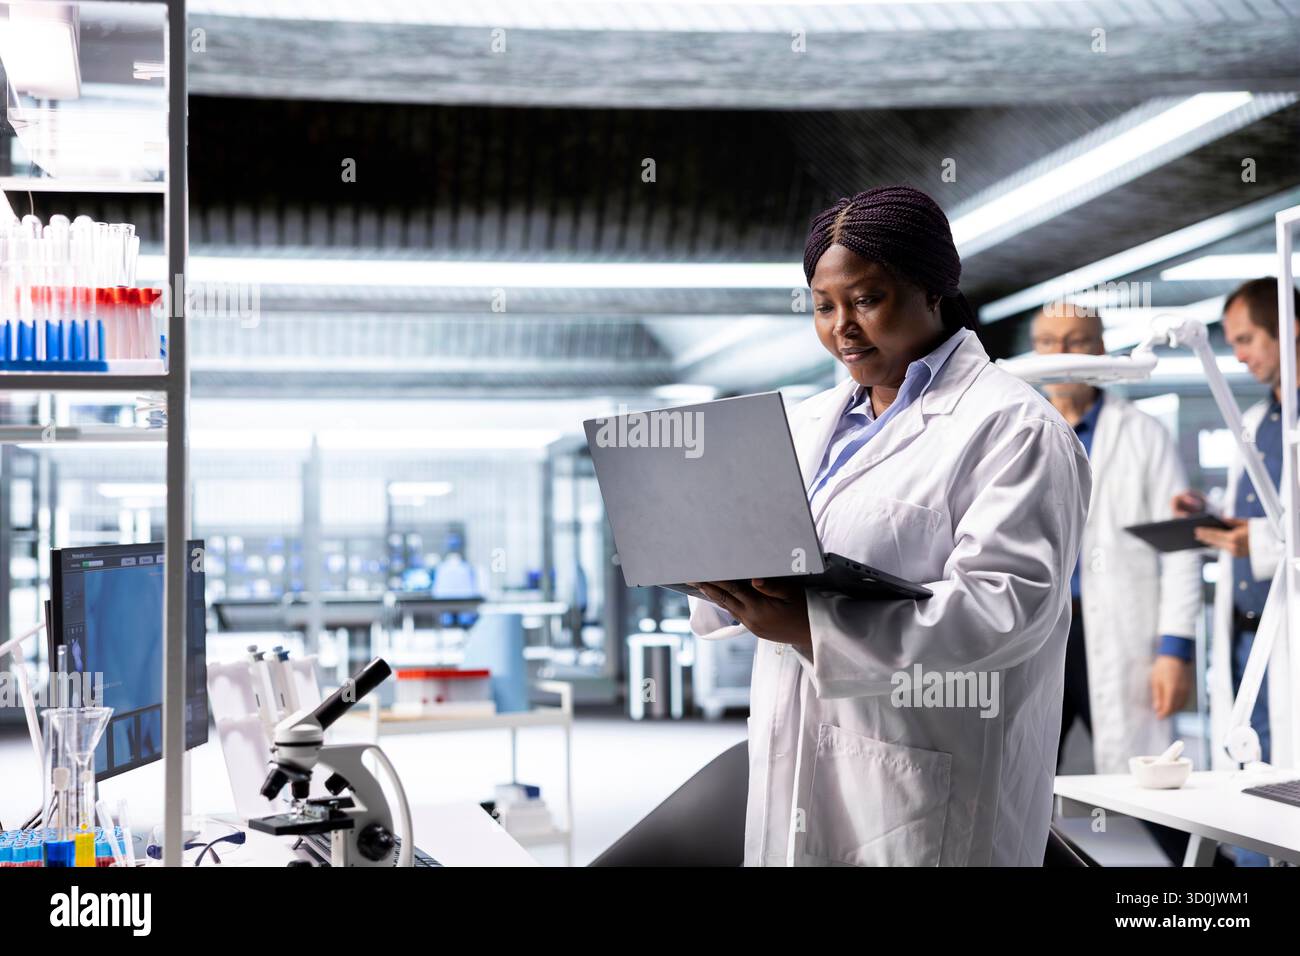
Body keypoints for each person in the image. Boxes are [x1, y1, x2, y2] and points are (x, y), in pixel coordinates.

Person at [687, 186, 1091, 866]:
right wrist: (716, 575)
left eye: (866, 300)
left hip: (929, 787)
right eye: (823, 305)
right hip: (797, 756)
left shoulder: (1013, 427)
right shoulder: (806, 424)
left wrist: (814, 628)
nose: (841, 325)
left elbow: (1000, 612)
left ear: (934, 290)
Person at [1031, 302, 1201, 865]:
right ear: (1035, 349)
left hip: (1123, 639)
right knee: (1021, 783)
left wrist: (1174, 650)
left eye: (1078, 339)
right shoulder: (1017, 431)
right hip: (1036, 637)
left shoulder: (1142, 435)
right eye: (1050, 341)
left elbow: (1178, 549)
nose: (1063, 353)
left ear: (1101, 350)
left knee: (1151, 789)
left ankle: (1212, 887)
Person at [1172, 277, 1300, 866]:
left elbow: (1279, 535)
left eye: (1247, 339)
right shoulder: (1253, 419)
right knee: (1250, 779)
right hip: (1247, 633)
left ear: (1290, 329)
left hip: (1291, 633)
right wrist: (1213, 519)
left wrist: (1260, 542)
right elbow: (1260, 520)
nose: (1239, 355)